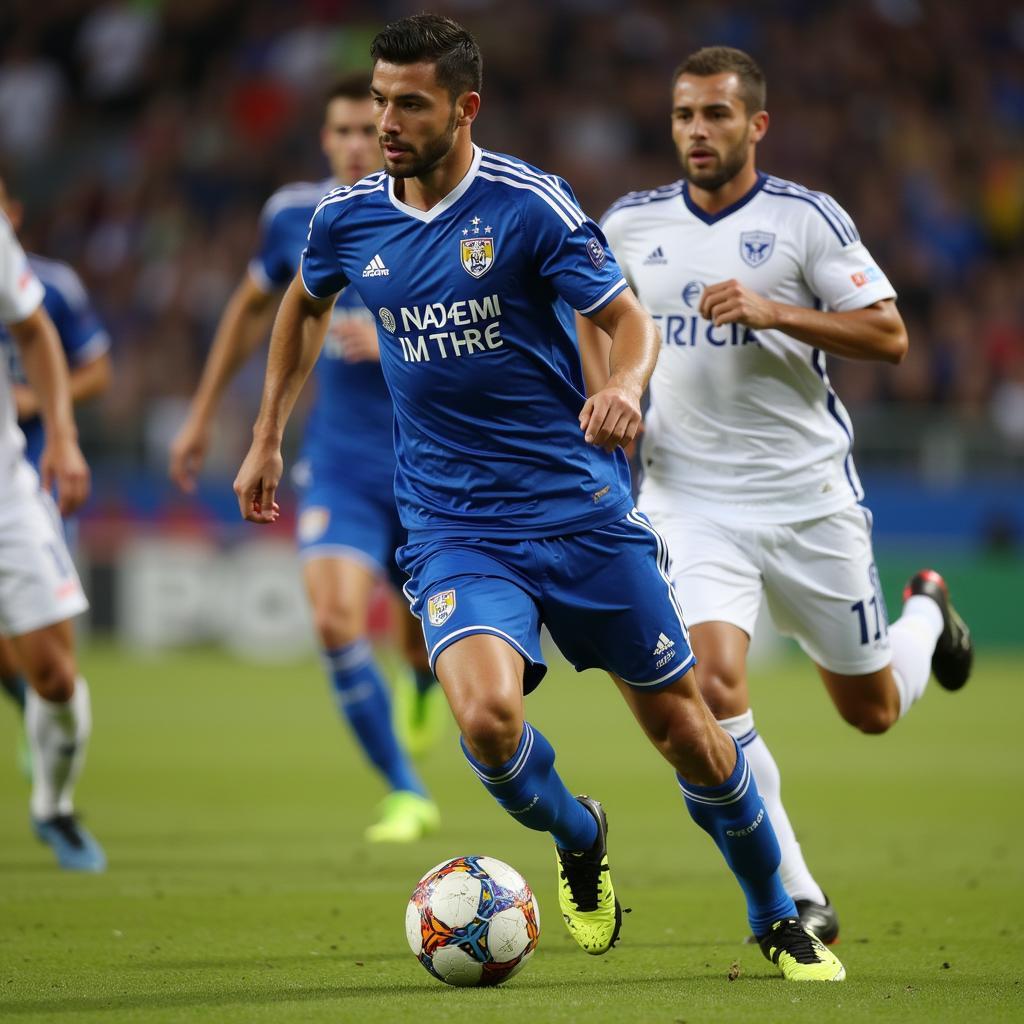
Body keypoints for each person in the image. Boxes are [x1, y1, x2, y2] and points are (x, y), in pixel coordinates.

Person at [234, 15, 846, 981]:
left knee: (689, 732)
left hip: (578, 512)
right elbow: (302, 303)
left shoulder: (529, 207)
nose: (386, 122)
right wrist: (268, 431)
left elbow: (626, 320)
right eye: (379, 99)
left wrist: (622, 388)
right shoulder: (348, 218)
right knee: (483, 719)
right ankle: (577, 833)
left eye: (410, 104)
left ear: (464, 108)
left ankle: (775, 911)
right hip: (453, 525)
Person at [580, 45, 973, 944]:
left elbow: (890, 335)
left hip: (806, 500)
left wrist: (775, 311)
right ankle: (798, 893)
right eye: (684, 116)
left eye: (716, 116)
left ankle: (928, 615)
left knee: (869, 709)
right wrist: (612, 388)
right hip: (688, 499)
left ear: (756, 124)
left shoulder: (806, 222)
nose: (697, 132)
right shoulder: (632, 224)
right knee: (715, 686)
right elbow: (592, 308)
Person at [169, 75, 442, 844]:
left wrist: (390, 340)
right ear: (325, 138)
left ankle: (418, 679)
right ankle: (405, 790)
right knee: (331, 618)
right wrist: (200, 415)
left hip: (433, 466)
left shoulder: (438, 212)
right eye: (344, 130)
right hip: (342, 464)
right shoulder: (296, 216)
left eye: (370, 128)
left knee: (422, 634)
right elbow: (254, 311)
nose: (359, 142)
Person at [0, 209, 104, 871]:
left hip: (8, 488)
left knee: (55, 675)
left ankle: (54, 804)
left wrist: (62, 436)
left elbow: (35, 330)